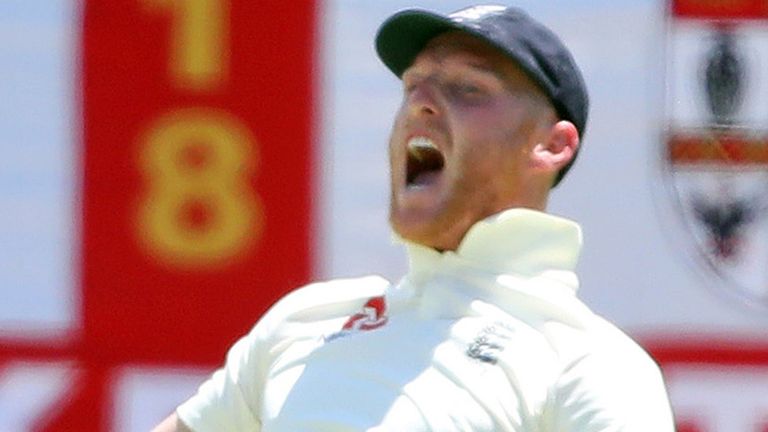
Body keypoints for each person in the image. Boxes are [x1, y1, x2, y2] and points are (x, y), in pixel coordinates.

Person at [154, 4, 675, 431]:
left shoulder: (589, 363)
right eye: (412, 87)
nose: (419, 103)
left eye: (468, 88)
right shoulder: (307, 319)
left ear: (551, 146)